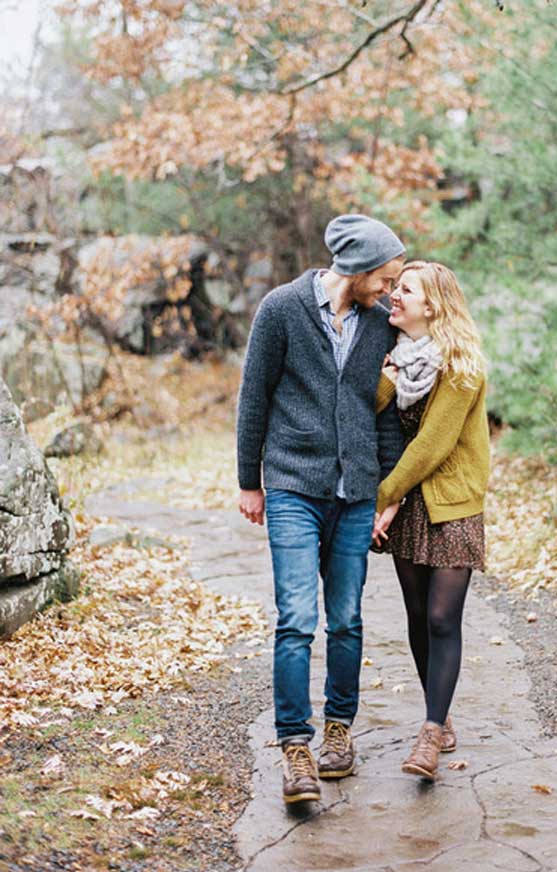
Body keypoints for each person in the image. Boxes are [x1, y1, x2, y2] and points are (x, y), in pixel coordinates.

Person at [236, 214, 406, 804]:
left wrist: (385, 493)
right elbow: (253, 396)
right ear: (356, 270)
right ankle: (294, 746)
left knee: (348, 620)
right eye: (385, 278)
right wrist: (248, 481)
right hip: (291, 486)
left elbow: (383, 413)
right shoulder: (281, 309)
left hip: (356, 493)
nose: (390, 290)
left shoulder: (383, 323)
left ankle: (338, 730)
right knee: (295, 620)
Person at [372, 260, 490, 781]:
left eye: (405, 289)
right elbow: (371, 411)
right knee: (418, 617)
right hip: (410, 504)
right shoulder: (395, 358)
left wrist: (383, 497)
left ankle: (429, 731)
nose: (393, 296)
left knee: (443, 618)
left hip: (452, 503)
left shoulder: (462, 366)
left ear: (432, 304)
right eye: (394, 288)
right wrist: (386, 378)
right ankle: (438, 716)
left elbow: (434, 443)